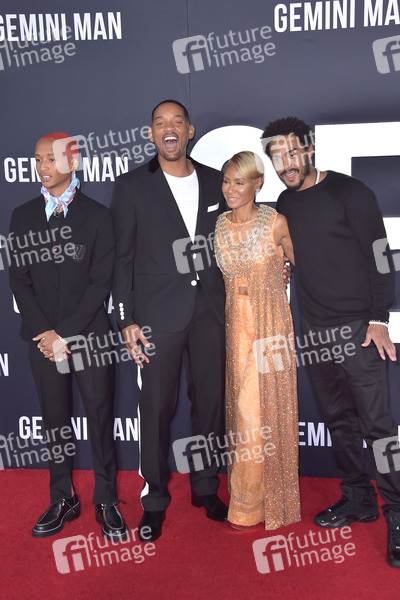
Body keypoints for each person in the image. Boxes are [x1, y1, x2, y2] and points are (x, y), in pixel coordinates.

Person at [261, 116, 400, 567]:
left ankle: (398, 515)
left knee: (378, 428)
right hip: (315, 332)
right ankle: (358, 498)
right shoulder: (285, 201)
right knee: (339, 422)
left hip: (359, 332)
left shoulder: (351, 193)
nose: (285, 163)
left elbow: (380, 256)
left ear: (309, 148)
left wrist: (379, 319)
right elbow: (304, 256)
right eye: (276, 156)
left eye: (292, 151)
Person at [111, 100, 228, 542]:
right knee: (156, 409)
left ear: (190, 130)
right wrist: (126, 319)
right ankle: (155, 500)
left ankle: (206, 488)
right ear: (151, 134)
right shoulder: (131, 186)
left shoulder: (216, 182)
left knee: (210, 404)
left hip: (210, 313)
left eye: (177, 121)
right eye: (160, 123)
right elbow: (121, 259)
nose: (169, 128)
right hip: (156, 317)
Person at [8, 132, 127, 541]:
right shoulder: (22, 216)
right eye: (38, 159)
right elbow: (19, 280)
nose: (43, 166)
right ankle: (63, 497)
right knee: (54, 422)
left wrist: (66, 333)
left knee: (100, 418)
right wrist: (47, 334)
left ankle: (106, 499)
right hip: (42, 340)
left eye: (51, 158)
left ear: (72, 163)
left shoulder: (98, 216)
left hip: (89, 337)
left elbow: (101, 282)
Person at [214, 151, 300, 530]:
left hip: (271, 327)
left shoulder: (276, 222)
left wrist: (285, 269)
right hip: (236, 327)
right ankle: (256, 499)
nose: (231, 189)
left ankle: (248, 506)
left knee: (255, 413)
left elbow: (301, 262)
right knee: (242, 414)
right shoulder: (219, 224)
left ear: (257, 184)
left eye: (240, 182)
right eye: (226, 181)